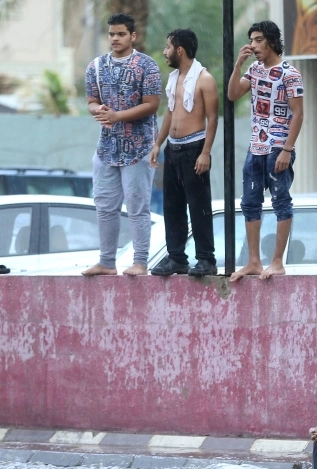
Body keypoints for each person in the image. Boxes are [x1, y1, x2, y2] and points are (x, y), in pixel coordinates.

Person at [82, 13, 161, 277]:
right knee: (105, 207)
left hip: (139, 147)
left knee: (138, 208)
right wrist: (99, 111)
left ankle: (140, 262)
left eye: (121, 34)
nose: (115, 39)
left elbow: (152, 104)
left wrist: (118, 116)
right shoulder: (96, 66)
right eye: (112, 34)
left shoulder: (147, 65)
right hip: (106, 148)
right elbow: (91, 101)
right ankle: (106, 262)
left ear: (132, 36)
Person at [227, 20, 304, 281]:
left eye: (258, 40)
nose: (253, 45)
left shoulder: (289, 73)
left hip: (278, 146)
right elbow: (232, 94)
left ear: (271, 41)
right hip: (256, 147)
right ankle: (254, 262)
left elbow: (298, 114)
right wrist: (238, 65)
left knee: (281, 200)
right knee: (250, 202)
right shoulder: (254, 69)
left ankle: (277, 261)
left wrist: (287, 149)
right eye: (251, 40)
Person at [149, 29, 219, 278]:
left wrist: (206, 153)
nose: (165, 52)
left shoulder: (204, 79)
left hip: (194, 148)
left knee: (199, 206)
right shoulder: (174, 78)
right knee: (172, 205)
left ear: (180, 50)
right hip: (174, 148)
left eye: (168, 47)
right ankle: (177, 258)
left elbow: (213, 118)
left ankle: (206, 259)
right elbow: (170, 112)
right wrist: (158, 144)